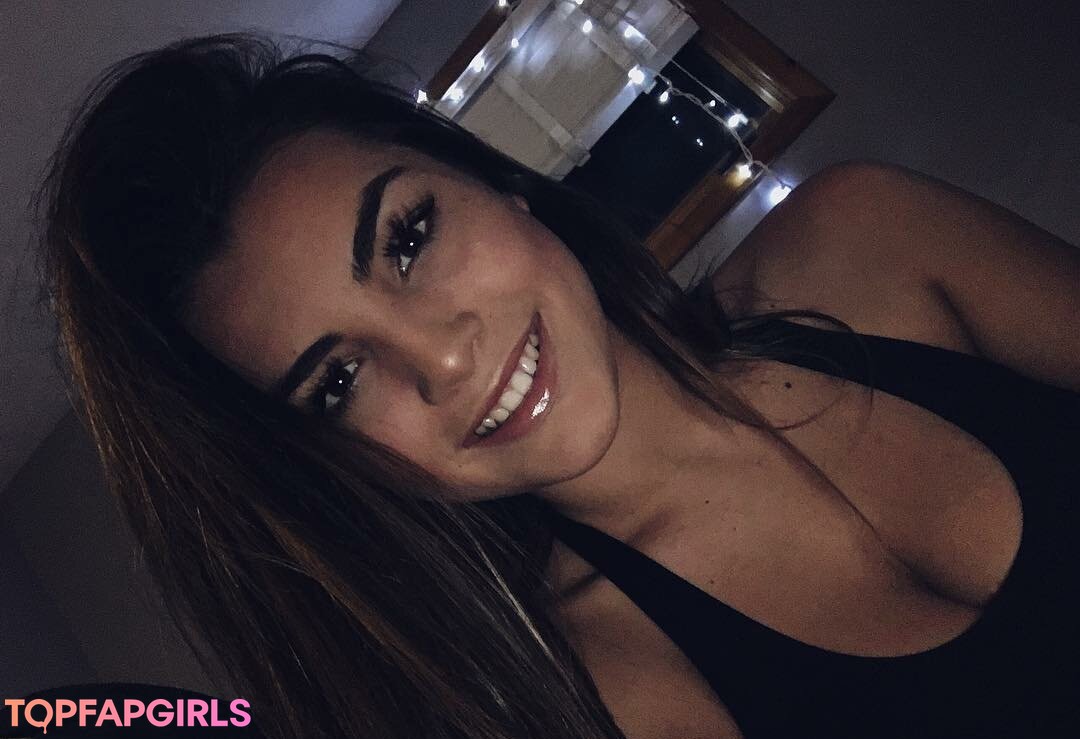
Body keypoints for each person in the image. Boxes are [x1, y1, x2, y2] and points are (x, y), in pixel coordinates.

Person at [36, 33, 1079, 739]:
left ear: (498, 184)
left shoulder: (868, 241)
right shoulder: (605, 694)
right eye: (340, 378)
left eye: (409, 239)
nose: (445, 360)